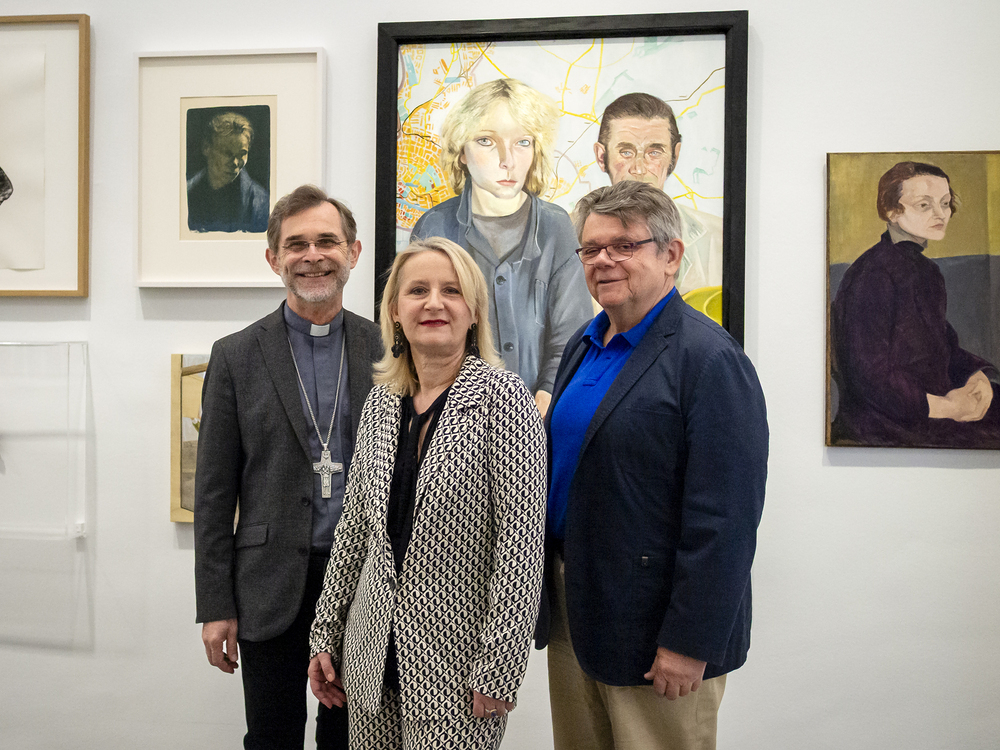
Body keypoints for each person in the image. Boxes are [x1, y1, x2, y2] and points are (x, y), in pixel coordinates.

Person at [534, 181, 768, 750]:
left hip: (657, 625)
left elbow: (726, 519)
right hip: (577, 609)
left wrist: (689, 641)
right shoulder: (585, 344)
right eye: (591, 249)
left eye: (624, 245)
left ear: (670, 255)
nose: (604, 260)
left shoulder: (709, 359)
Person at [308, 237, 546, 749]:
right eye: (418, 290)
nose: (434, 303)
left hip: (459, 668)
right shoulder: (381, 402)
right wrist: (324, 633)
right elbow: (355, 532)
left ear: (474, 311)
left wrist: (500, 665)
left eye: (451, 291)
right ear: (395, 311)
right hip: (370, 658)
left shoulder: (505, 400)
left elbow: (520, 547)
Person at [194, 185, 382, 750]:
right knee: (272, 736)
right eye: (296, 244)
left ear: (353, 252)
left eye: (327, 241)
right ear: (273, 258)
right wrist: (216, 605)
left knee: (350, 737)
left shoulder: (387, 349)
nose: (312, 255)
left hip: (363, 583)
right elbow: (213, 492)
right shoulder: (235, 355)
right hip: (268, 581)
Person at [410, 78, 593, 416]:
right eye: (486, 141)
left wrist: (541, 403)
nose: (507, 160)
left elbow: (572, 337)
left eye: (523, 142)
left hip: (541, 420)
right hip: (453, 420)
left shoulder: (556, 227)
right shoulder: (434, 227)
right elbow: (419, 338)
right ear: (461, 151)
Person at [831, 161, 1000, 448]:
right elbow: (870, 376)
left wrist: (978, 376)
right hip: (887, 421)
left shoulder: (928, 272)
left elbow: (943, 346)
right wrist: (948, 407)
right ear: (892, 211)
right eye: (924, 205)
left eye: (945, 203)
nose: (941, 214)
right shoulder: (872, 274)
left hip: (935, 405)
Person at [594, 92, 724, 296]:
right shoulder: (564, 238)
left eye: (654, 152)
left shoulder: (718, 238)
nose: (639, 169)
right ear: (602, 157)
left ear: (675, 156)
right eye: (626, 152)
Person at [187, 111, 269, 233]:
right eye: (227, 153)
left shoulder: (260, 202)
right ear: (206, 147)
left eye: (242, 154)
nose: (235, 163)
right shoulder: (187, 193)